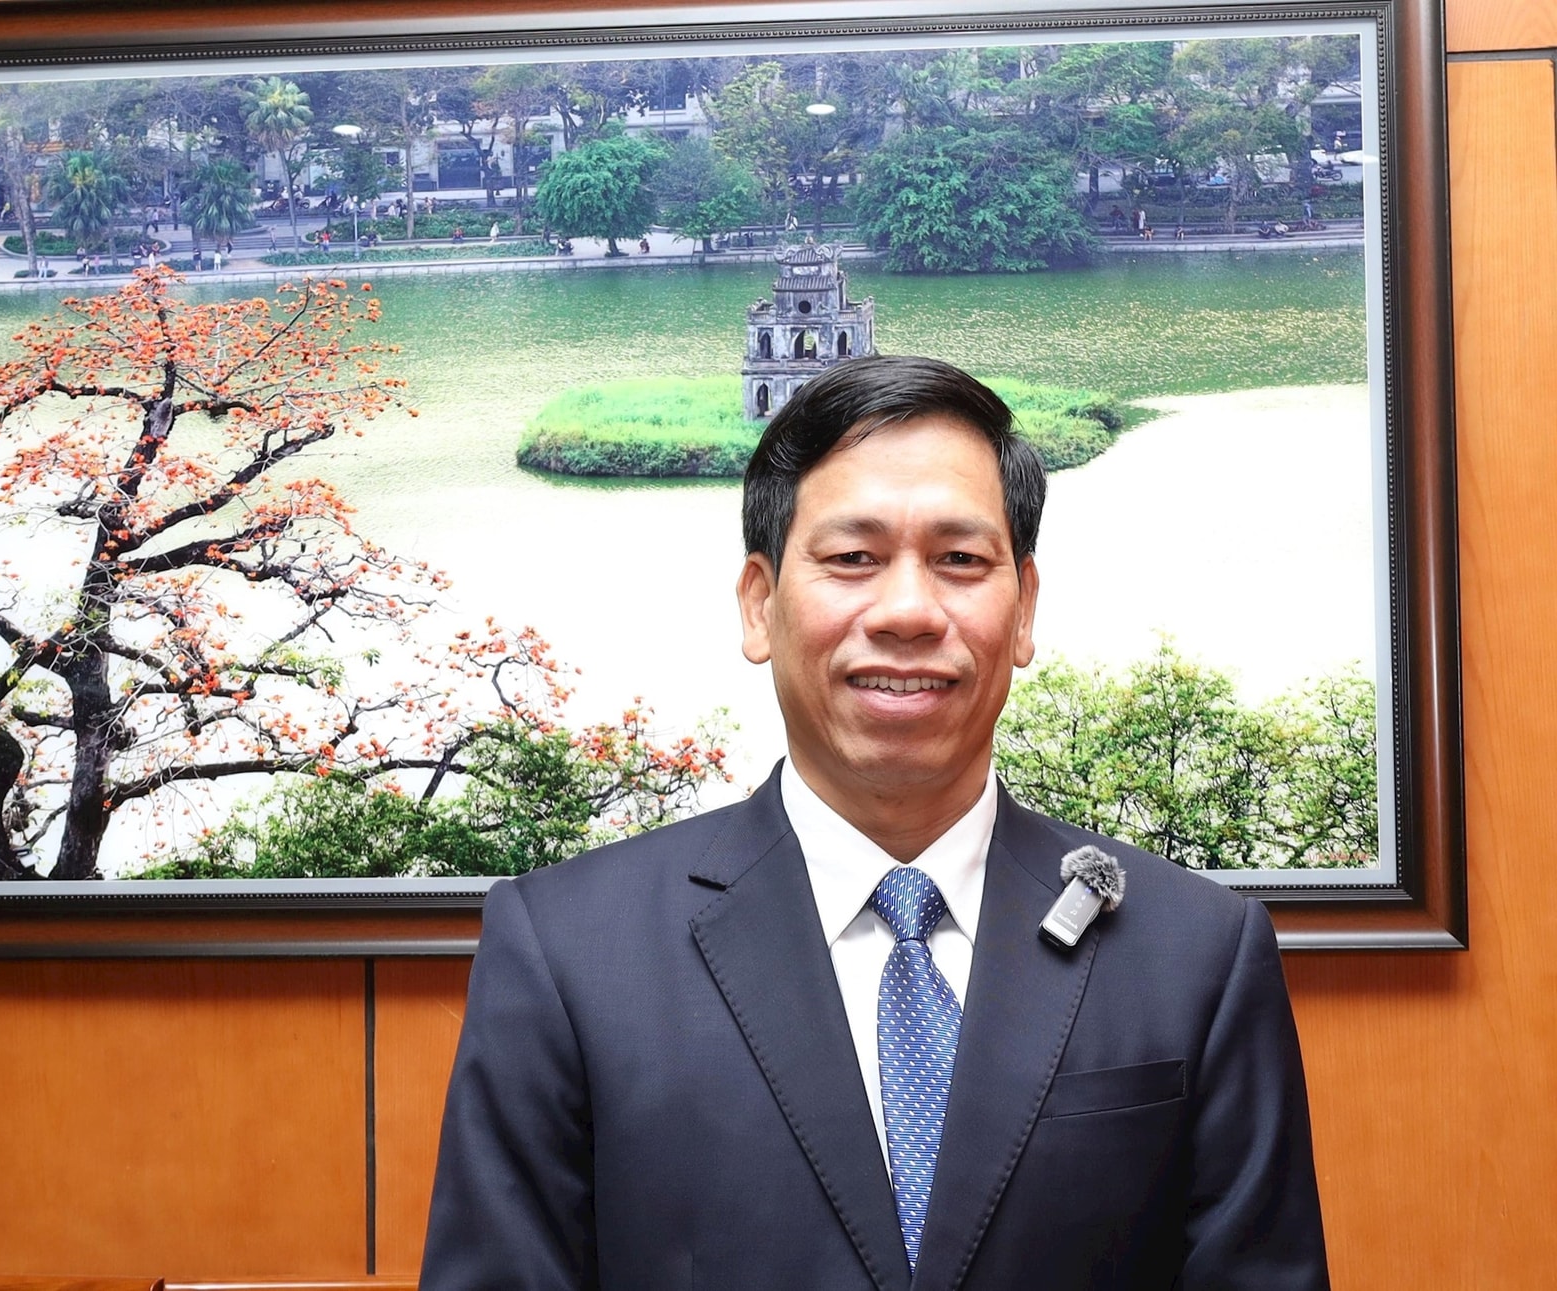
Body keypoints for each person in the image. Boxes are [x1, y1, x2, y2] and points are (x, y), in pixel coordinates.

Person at [422, 356, 1328, 1291]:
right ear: (759, 604)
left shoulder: (1198, 953)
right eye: (852, 558)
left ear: (1024, 609)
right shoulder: (567, 952)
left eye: (960, 560)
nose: (907, 612)